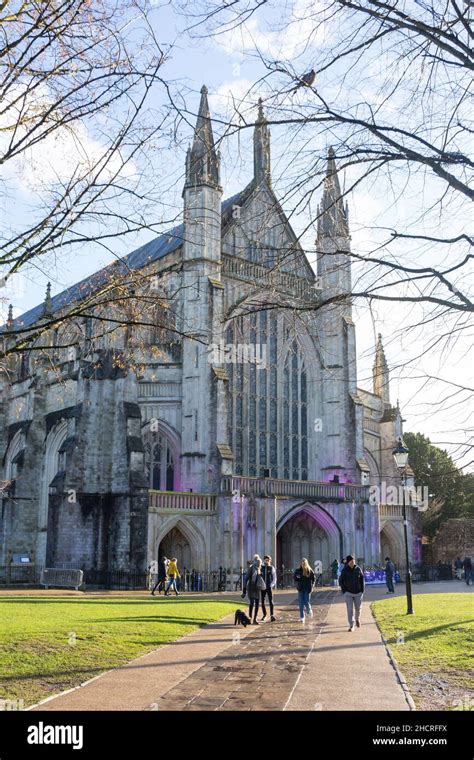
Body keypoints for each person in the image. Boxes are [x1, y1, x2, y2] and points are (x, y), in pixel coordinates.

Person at [339, 554, 365, 631]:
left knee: (358, 609)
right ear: (348, 562)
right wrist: (344, 591)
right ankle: (351, 625)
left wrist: (362, 590)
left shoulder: (358, 569)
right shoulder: (345, 570)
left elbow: (362, 580)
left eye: (353, 560)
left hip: (358, 593)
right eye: (351, 561)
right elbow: (341, 581)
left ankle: (357, 619)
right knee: (350, 609)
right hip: (348, 593)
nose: (353, 562)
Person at [242, 558, 264, 624]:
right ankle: (250, 618)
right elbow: (246, 579)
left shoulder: (259, 569)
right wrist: (244, 591)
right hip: (251, 587)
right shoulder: (251, 569)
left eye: (260, 563)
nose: (259, 564)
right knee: (252, 602)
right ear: (255, 563)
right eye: (258, 563)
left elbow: (260, 579)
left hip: (257, 588)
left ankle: (255, 619)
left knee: (257, 604)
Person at [294, 558, 315, 623]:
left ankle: (309, 611)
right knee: (301, 604)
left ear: (306, 563)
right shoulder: (298, 570)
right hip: (300, 588)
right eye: (302, 563)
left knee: (306, 602)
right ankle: (302, 617)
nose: (303, 564)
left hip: (307, 589)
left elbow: (313, 579)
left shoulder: (310, 571)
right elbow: (295, 578)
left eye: (304, 563)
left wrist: (312, 586)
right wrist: (297, 578)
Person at [260, 555, 276, 622]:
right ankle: (264, 614)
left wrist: (271, 585)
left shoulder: (271, 568)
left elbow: (274, 578)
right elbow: (259, 577)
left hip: (269, 587)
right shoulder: (261, 567)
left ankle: (272, 615)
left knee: (271, 601)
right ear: (264, 560)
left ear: (270, 560)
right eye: (266, 560)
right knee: (263, 602)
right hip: (263, 587)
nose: (267, 561)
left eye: (268, 560)